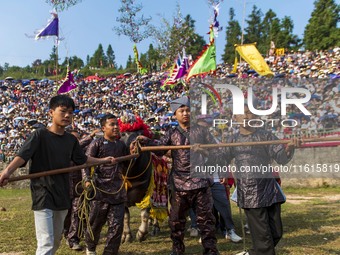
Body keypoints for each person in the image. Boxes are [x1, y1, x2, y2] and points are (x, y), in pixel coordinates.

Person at [0, 95, 116, 255]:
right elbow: (22, 156)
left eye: (70, 112)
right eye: (62, 111)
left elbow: (83, 160)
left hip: (62, 193)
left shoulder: (71, 140)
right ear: (51, 113)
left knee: (55, 241)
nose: (67, 116)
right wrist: (7, 172)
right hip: (43, 193)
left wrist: (103, 160)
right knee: (46, 242)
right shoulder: (39, 135)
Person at [132, 96, 220, 255]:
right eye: (182, 111)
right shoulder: (171, 133)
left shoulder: (202, 131)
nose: (185, 113)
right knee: (176, 222)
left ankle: (211, 250)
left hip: (201, 183)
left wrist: (204, 151)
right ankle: (177, 250)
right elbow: (160, 150)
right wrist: (146, 141)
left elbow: (217, 153)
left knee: (206, 221)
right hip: (179, 184)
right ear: (175, 114)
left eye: (188, 110)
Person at [223, 104, 299, 255]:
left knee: (276, 232)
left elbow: (281, 158)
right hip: (249, 191)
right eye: (242, 113)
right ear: (234, 118)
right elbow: (219, 158)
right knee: (263, 237)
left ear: (255, 117)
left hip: (269, 189)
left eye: (249, 112)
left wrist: (289, 148)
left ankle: (253, 253)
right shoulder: (231, 140)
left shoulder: (266, 136)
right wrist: (203, 151)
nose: (246, 116)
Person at [82, 114, 129, 255]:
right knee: (95, 224)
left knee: (116, 227)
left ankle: (110, 252)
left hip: (118, 191)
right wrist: (87, 179)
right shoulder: (96, 143)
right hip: (100, 191)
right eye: (112, 125)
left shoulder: (121, 145)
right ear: (103, 128)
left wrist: (135, 152)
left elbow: (127, 164)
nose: (116, 127)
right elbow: (85, 162)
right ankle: (90, 248)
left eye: (117, 124)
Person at [63, 128, 101, 251]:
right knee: (65, 213)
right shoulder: (63, 150)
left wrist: (86, 181)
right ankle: (65, 232)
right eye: (73, 139)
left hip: (78, 187)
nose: (76, 141)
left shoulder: (81, 153)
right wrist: (90, 135)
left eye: (78, 138)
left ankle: (73, 239)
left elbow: (85, 167)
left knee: (77, 211)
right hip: (62, 188)